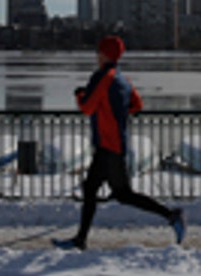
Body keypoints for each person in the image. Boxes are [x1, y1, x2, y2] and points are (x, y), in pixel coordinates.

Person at [53, 36, 185, 250]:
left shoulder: (102, 77)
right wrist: (114, 115)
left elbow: (86, 107)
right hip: (114, 144)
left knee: (122, 194)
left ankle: (172, 216)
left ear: (105, 54)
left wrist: (79, 94)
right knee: (92, 189)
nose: (97, 56)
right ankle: (80, 240)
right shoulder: (123, 79)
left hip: (108, 146)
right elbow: (137, 104)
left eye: (98, 52)